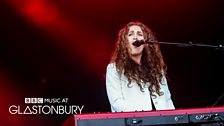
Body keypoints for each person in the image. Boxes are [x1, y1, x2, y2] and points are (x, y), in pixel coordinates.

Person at [106, 21, 175, 112]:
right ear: (124, 42)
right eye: (130, 34)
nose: (135, 37)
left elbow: (167, 100)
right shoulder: (114, 69)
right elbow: (116, 102)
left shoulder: (157, 69)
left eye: (139, 34)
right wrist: (140, 116)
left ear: (146, 42)